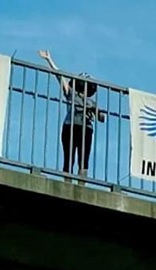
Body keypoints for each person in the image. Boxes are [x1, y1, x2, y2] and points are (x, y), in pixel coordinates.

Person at [38, 50, 105, 184]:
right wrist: (49, 60)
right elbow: (59, 77)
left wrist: (95, 111)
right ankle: (67, 184)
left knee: (83, 159)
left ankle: (81, 186)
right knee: (69, 158)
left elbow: (102, 118)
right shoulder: (71, 93)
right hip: (70, 126)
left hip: (86, 129)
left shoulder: (92, 102)